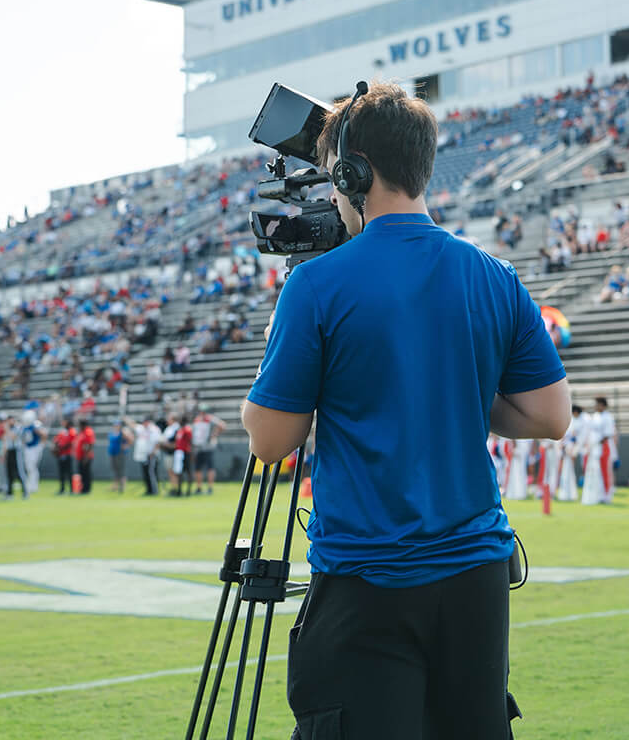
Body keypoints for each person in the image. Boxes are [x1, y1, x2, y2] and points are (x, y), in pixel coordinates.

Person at [241, 81, 568, 740]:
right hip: (477, 579)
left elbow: (271, 440)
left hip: (368, 583)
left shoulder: (317, 283)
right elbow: (548, 417)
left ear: (352, 172)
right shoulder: (495, 275)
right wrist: (461, 394)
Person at [189, 407, 227, 495]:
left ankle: (210, 488)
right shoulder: (197, 420)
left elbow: (222, 425)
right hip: (198, 447)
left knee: (210, 467)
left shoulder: (210, 419)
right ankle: (199, 487)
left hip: (208, 447)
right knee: (198, 468)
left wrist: (214, 434)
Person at [129, 415, 160, 496]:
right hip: (143, 455)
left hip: (151, 455)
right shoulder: (142, 428)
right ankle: (149, 490)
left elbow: (157, 443)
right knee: (145, 473)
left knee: (151, 473)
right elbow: (133, 425)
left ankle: (154, 490)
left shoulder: (154, 430)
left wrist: (152, 453)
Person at [53, 424, 74, 494]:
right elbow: (56, 441)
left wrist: (60, 448)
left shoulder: (71, 432)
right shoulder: (62, 432)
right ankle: (62, 489)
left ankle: (71, 489)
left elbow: (70, 443)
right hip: (61, 455)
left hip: (67, 455)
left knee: (69, 473)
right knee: (61, 473)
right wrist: (56, 448)